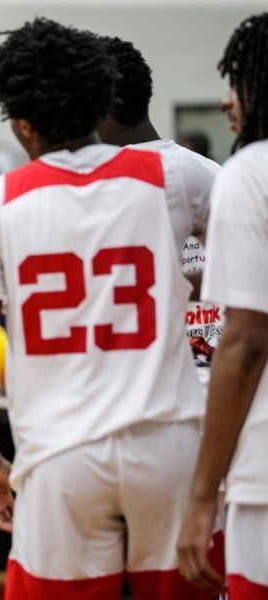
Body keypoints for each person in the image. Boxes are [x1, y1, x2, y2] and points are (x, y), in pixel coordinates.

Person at [0, 18, 215, 599]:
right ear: (102, 102)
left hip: (60, 459)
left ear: (23, 124)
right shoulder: (177, 174)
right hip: (168, 444)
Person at [177, 12, 268, 598]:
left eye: (238, 80)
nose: (227, 98)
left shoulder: (251, 172)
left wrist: (202, 491)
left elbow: (247, 339)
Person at [96, 36, 223, 390]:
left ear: (109, 102)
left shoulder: (109, 186)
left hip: (168, 386)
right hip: (198, 378)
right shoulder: (210, 171)